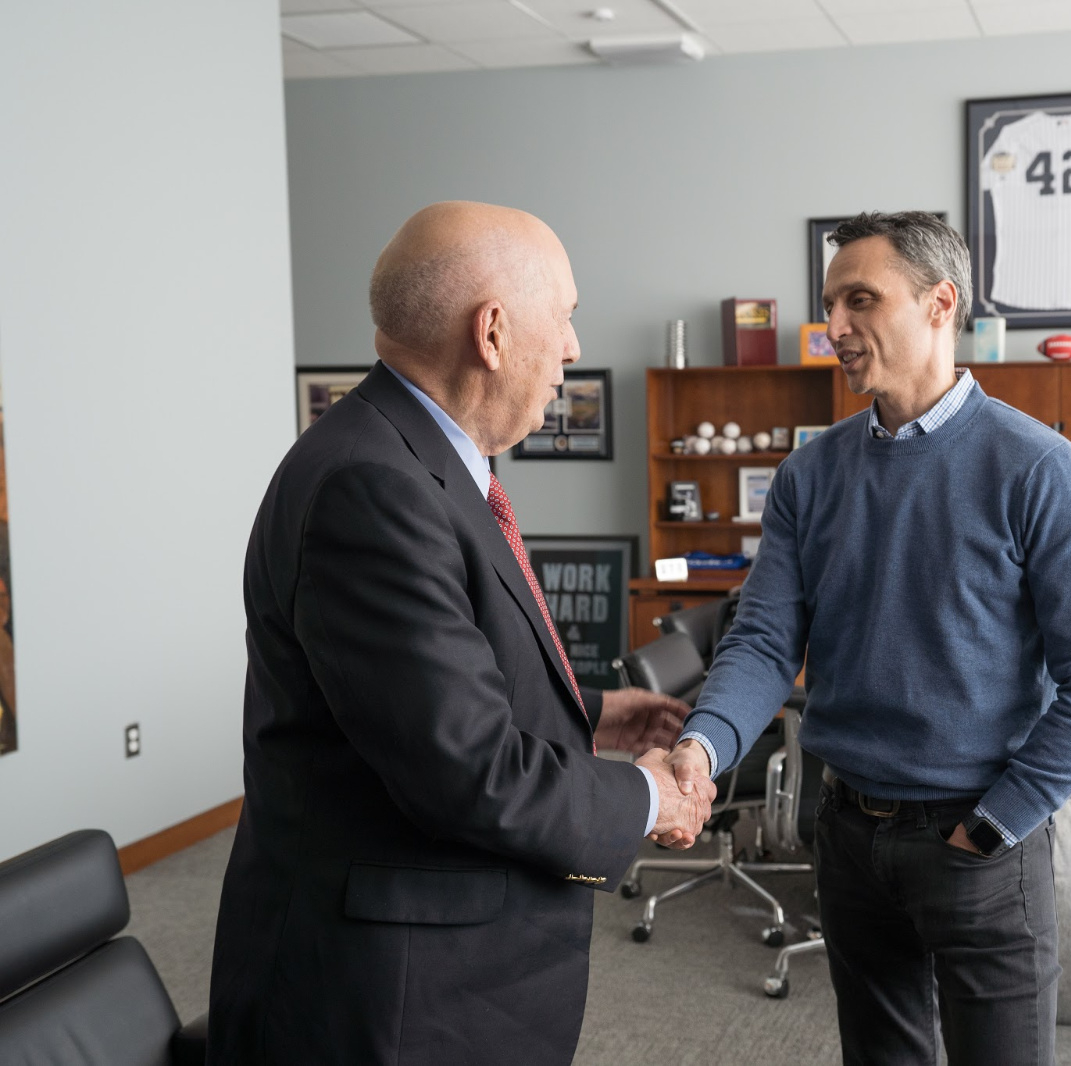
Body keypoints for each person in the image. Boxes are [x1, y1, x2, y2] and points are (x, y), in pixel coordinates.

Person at [208, 201, 713, 1066]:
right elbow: (466, 769)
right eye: (565, 317)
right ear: (491, 331)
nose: (572, 350)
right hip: (395, 998)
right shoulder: (372, 487)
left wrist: (585, 712)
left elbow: (432, 688)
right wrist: (647, 796)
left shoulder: (410, 461)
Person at [668, 211, 1071, 1065]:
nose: (834, 328)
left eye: (860, 300)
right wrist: (701, 749)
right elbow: (765, 642)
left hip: (982, 840)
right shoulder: (809, 476)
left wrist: (998, 825)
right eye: (829, 304)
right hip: (848, 831)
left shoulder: (1039, 469)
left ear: (939, 304)